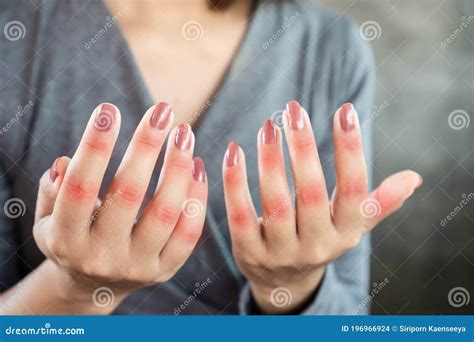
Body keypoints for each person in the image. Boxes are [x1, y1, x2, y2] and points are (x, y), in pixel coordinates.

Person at [0, 0, 421, 315]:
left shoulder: (329, 46)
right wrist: (74, 288)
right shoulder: (14, 36)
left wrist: (292, 287)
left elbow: (346, 320)